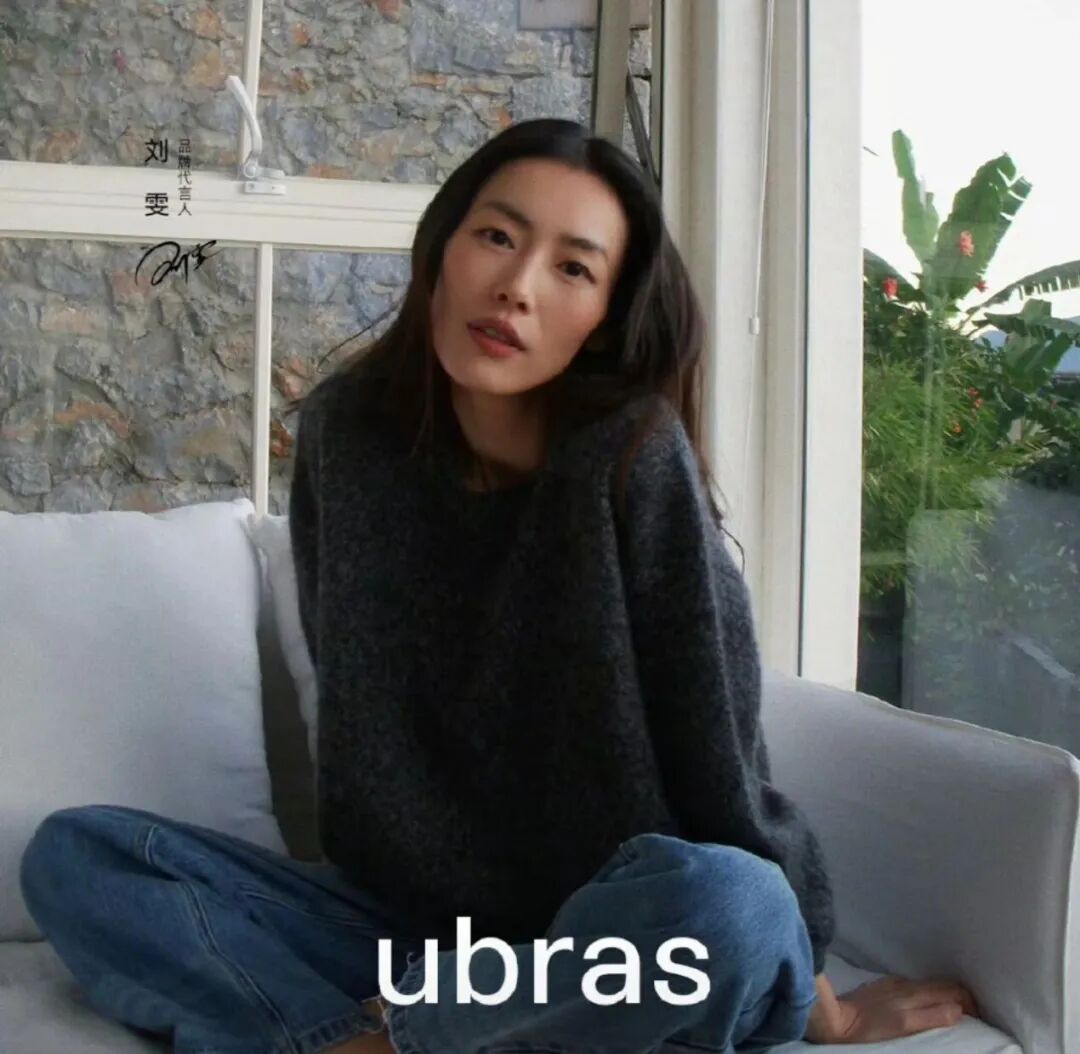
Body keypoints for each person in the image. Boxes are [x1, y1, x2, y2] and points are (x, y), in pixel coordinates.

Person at [19, 118, 980, 1054]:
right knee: (82, 858)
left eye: (574, 268)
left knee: (731, 902)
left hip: (622, 940)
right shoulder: (348, 441)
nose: (517, 287)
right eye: (497, 237)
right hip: (418, 940)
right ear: (443, 248)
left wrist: (822, 1008)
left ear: (605, 318)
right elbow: (355, 716)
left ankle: (401, 1042)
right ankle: (423, 1035)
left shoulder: (633, 458)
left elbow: (720, 759)